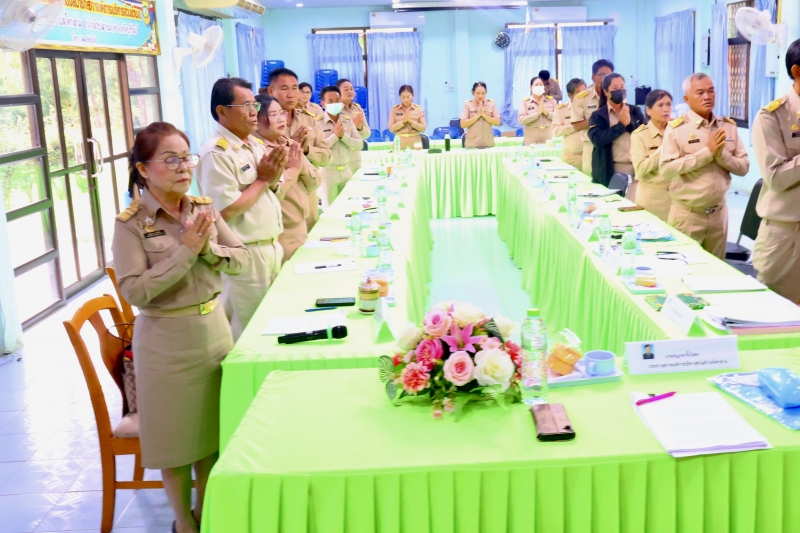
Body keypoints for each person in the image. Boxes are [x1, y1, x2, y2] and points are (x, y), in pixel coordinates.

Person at [113, 122, 251, 533]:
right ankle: (183, 524)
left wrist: (207, 249)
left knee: (211, 438)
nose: (183, 168)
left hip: (213, 334)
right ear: (143, 169)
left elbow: (241, 260)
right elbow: (135, 291)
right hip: (166, 345)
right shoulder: (131, 224)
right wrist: (186, 253)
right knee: (174, 446)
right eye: (170, 160)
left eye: (186, 158)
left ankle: (207, 515)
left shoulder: (202, 209)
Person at [196, 77, 285, 340]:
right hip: (245, 254)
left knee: (273, 325)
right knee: (248, 333)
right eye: (245, 106)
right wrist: (263, 180)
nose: (253, 112)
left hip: (270, 247)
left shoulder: (253, 144)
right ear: (222, 111)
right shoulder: (216, 153)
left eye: (254, 105)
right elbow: (224, 211)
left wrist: (275, 175)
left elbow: (269, 191)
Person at [660, 73, 749, 259]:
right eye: (700, 92)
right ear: (687, 99)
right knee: (684, 269)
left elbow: (743, 168)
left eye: (711, 91)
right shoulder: (677, 129)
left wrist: (721, 155)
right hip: (688, 215)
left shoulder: (728, 126)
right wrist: (706, 154)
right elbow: (666, 169)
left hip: (719, 216)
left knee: (716, 272)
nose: (707, 97)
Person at [751, 38, 800, 303]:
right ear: (797, 71)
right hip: (787, 238)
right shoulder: (772, 116)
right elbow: (776, 178)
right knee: (780, 316)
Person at [255, 94, 320, 262]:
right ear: (257, 120)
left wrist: (298, 164)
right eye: (273, 115)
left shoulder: (288, 143)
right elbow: (273, 193)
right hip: (280, 233)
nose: (280, 119)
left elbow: (315, 182)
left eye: (281, 113)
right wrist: (291, 169)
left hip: (302, 226)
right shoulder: (259, 151)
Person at [268, 68, 331, 231]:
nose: (291, 94)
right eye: (284, 88)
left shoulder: (308, 119)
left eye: (294, 88)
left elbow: (327, 157)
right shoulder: (264, 123)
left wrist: (306, 150)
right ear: (271, 91)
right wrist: (290, 149)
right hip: (282, 199)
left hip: (309, 192)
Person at [587, 73, 645, 189]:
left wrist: (629, 124)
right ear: (606, 92)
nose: (620, 90)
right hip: (613, 168)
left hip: (637, 167)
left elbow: (644, 134)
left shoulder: (635, 110)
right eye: (615, 88)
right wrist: (621, 125)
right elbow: (597, 139)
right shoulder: (598, 115)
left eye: (622, 86)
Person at [631, 90, 673, 221]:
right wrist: (666, 145)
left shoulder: (677, 131)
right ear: (648, 110)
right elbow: (640, 169)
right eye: (660, 105)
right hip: (652, 200)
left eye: (669, 104)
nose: (666, 109)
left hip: (677, 199)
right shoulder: (639, 135)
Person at [317, 85, 363, 207]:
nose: (335, 104)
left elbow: (359, 144)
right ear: (323, 104)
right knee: (330, 210)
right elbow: (318, 149)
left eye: (337, 100)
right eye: (330, 101)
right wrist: (335, 136)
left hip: (346, 169)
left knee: (349, 209)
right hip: (328, 173)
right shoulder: (318, 123)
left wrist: (343, 137)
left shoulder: (347, 120)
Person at [572, 59, 614, 175]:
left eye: (609, 75)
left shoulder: (617, 95)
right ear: (593, 77)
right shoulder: (582, 98)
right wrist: (599, 119)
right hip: (592, 147)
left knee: (615, 182)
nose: (606, 79)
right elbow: (577, 126)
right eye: (602, 75)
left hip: (614, 146)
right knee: (591, 181)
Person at [336, 78, 371, 173]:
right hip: (341, 157)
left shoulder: (358, 109)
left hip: (355, 156)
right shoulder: (335, 109)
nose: (350, 91)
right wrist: (353, 126)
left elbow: (367, 134)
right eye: (346, 89)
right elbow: (336, 134)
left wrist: (359, 127)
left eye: (351, 89)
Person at [553, 78, 586, 170]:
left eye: (584, 92)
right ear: (570, 95)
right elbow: (556, 131)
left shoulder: (592, 108)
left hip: (590, 155)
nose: (582, 96)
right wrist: (577, 126)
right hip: (571, 157)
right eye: (578, 93)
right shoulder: (561, 109)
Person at [460, 82, 501, 149]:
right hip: (472, 144)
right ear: (473, 92)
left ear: (486, 93)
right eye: (478, 93)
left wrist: (484, 115)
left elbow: (497, 122)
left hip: (487, 143)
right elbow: (463, 124)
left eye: (483, 93)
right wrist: (477, 116)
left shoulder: (491, 104)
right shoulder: (468, 105)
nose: (480, 96)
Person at [518, 76, 556, 145]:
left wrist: (547, 113)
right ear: (531, 87)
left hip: (548, 140)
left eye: (541, 85)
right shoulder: (525, 102)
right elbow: (521, 120)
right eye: (536, 85)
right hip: (531, 141)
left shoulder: (551, 101)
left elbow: (559, 117)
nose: (539, 86)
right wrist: (537, 114)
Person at [388, 85, 426, 150]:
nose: (406, 100)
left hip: (415, 142)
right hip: (399, 142)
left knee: (417, 156)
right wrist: (403, 122)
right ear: (400, 96)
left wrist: (412, 122)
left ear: (413, 95)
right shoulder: (395, 109)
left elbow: (423, 128)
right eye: (403, 97)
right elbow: (391, 128)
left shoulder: (418, 109)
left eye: (408, 97)